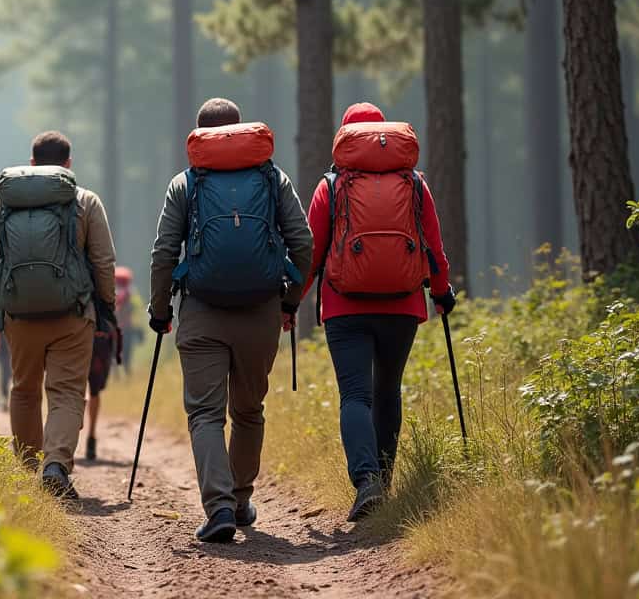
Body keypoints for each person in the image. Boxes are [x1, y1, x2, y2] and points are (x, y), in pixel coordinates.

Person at [149, 98, 313, 543]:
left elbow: (164, 253)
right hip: (261, 311)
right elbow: (302, 243)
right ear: (240, 130)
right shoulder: (272, 178)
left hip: (202, 312)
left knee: (205, 413)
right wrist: (289, 301)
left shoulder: (185, 183)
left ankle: (218, 507)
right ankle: (240, 501)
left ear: (198, 135)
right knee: (248, 410)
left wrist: (160, 310)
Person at [302, 102, 456, 522]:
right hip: (402, 305)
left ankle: (366, 481)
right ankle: (384, 485)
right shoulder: (415, 184)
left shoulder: (331, 187)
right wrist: (441, 292)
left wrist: (290, 302)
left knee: (355, 395)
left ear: (345, 139)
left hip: (344, 307)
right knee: (388, 390)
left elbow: (311, 253)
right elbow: (434, 246)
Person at [0, 131, 116, 499]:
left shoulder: (6, 204)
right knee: (67, 392)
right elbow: (104, 261)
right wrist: (106, 308)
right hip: (73, 314)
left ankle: (29, 474)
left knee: (24, 390)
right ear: (68, 164)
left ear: (32, 163)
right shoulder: (86, 201)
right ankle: (55, 465)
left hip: (19, 315)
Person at [83, 265, 132, 461]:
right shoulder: (110, 280)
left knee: (72, 387)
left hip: (74, 335)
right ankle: (91, 436)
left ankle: (70, 437)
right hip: (101, 338)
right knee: (94, 391)